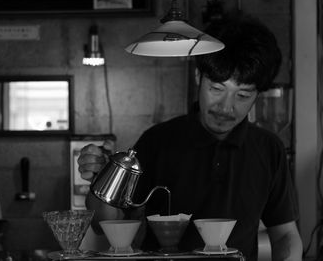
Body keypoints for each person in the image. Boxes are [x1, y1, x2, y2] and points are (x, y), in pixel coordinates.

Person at [78, 13, 303, 261]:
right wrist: (102, 181)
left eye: (243, 95)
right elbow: (105, 224)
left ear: (257, 94)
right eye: (217, 89)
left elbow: (285, 235)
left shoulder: (268, 149)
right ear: (198, 77)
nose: (226, 108)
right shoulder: (158, 141)